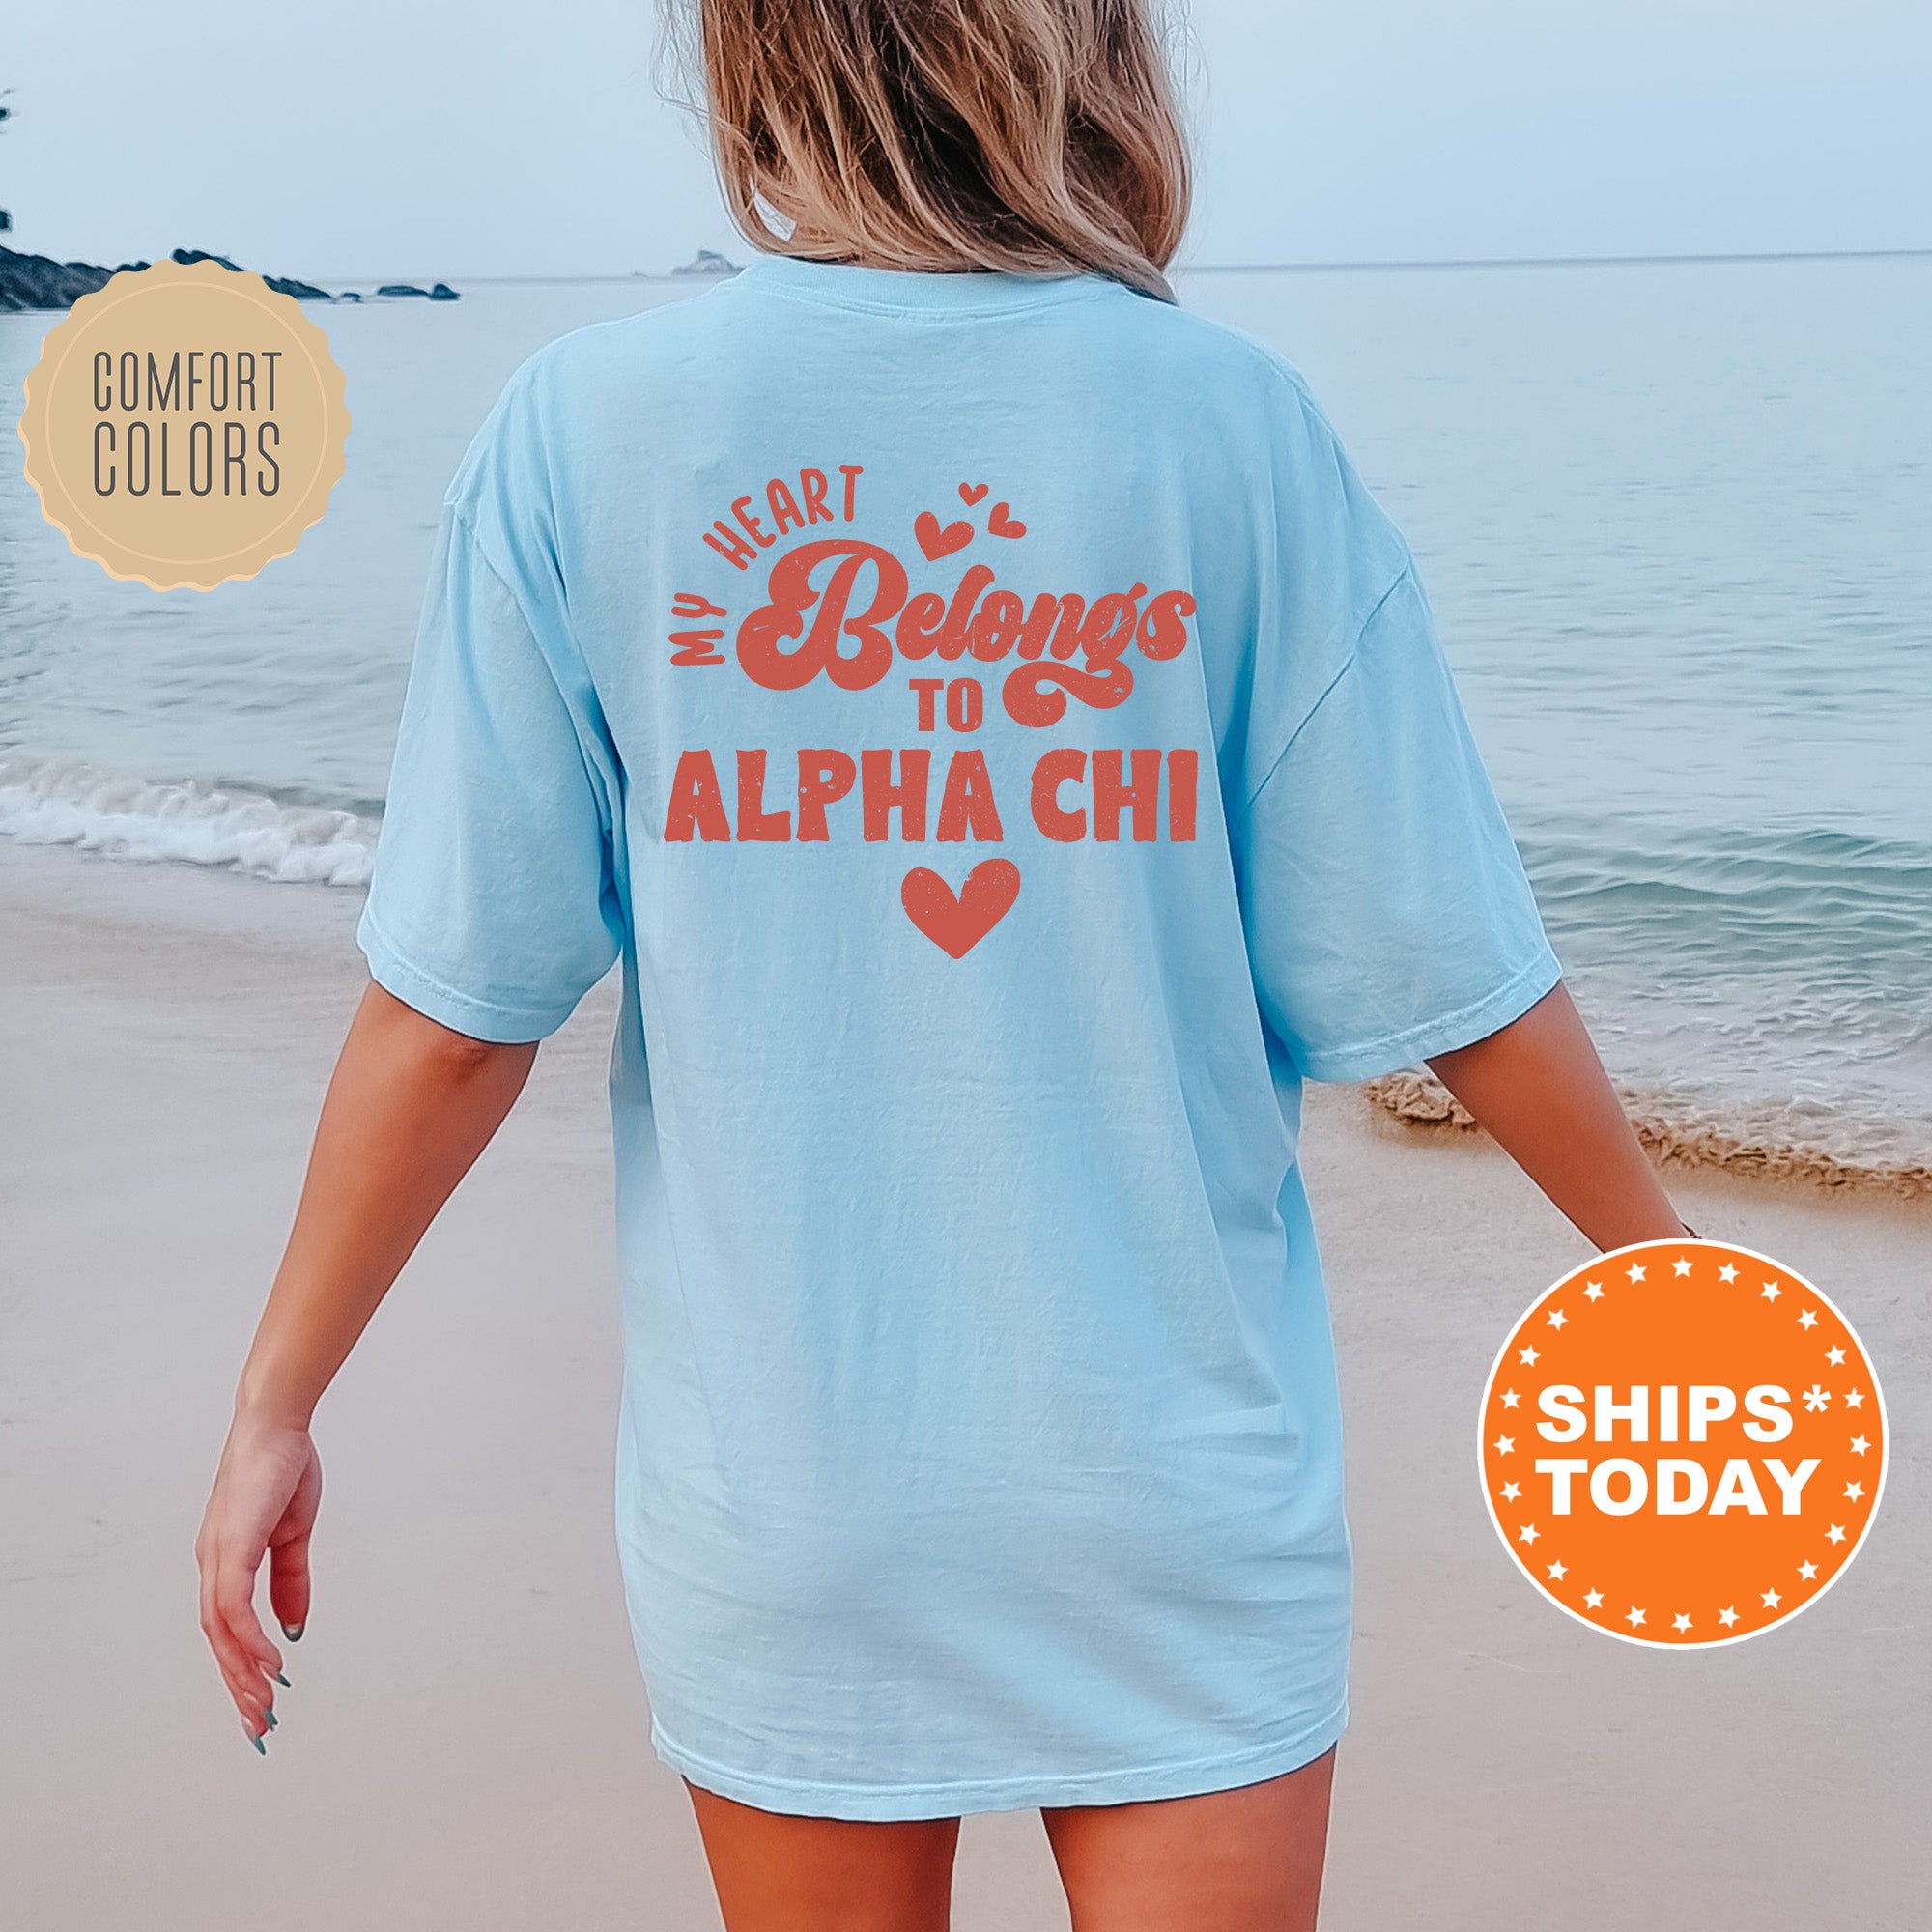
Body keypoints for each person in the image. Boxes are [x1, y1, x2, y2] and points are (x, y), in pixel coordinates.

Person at [195, 3, 1692, 1925]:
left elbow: (454, 1014)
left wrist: (274, 1402)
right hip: (1169, 1494)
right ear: (1088, 57)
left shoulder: (582, 433)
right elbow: (1450, 968)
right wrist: (1670, 1285)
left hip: (793, 1500)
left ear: (752, 62)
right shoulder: (1232, 424)